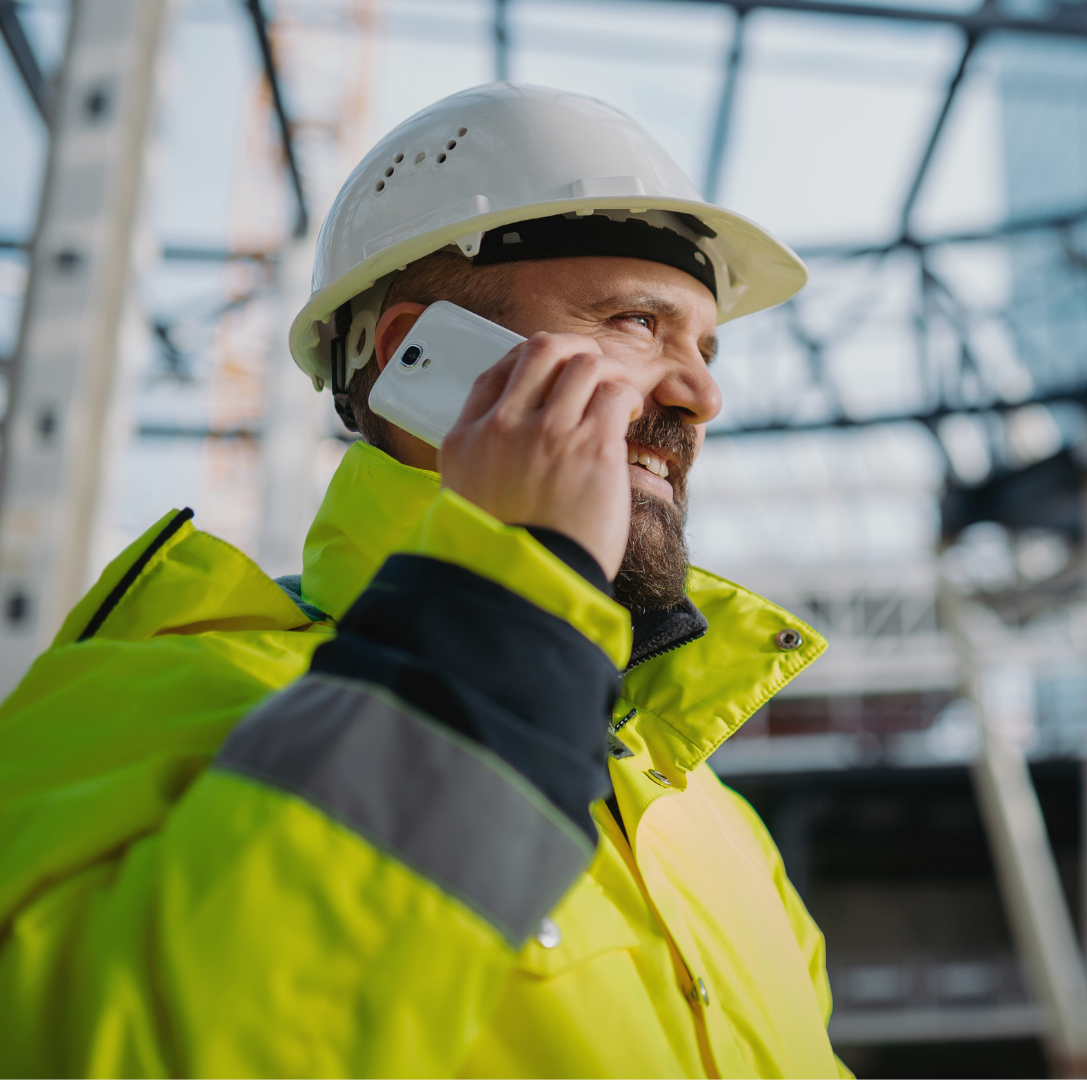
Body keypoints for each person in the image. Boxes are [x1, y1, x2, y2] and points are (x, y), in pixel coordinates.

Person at [0, 84, 848, 1079]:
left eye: (704, 347)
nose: (703, 393)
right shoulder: (142, 697)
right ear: (418, 353)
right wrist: (509, 597)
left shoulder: (715, 822)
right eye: (634, 323)